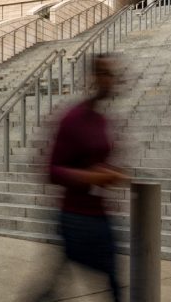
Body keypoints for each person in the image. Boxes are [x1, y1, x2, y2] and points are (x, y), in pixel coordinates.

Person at [25, 53, 128, 302]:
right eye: (104, 74)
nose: (110, 80)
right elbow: (51, 169)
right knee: (109, 282)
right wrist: (92, 178)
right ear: (92, 77)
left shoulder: (102, 120)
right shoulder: (73, 119)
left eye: (112, 75)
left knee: (61, 283)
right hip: (76, 218)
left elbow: (98, 161)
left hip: (98, 213)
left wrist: (112, 173)